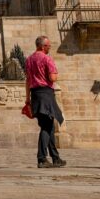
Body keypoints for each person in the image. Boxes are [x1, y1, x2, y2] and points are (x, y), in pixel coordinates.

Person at [24, 35, 67, 168]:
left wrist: (27, 99)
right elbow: (53, 78)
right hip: (46, 94)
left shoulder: (29, 60)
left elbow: (28, 81)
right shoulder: (47, 59)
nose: (50, 48)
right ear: (43, 46)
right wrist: (54, 73)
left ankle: (55, 157)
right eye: (48, 46)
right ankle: (41, 158)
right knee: (47, 126)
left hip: (35, 95)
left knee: (49, 126)